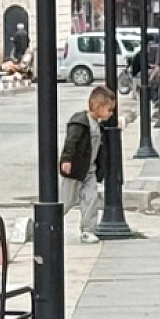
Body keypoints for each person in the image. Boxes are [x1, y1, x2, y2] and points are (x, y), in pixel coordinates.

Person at [61, 86, 115, 244]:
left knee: (91, 199)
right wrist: (67, 159)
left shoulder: (98, 126)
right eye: (109, 109)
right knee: (66, 201)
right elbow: (71, 142)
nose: (111, 113)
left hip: (90, 170)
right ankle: (46, 224)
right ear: (98, 107)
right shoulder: (80, 124)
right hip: (76, 170)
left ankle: (88, 230)